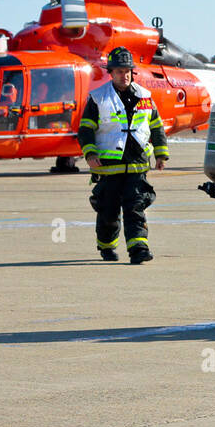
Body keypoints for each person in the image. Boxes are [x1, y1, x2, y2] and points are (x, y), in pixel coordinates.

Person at [77, 46, 168, 264]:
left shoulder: (145, 96)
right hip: (109, 165)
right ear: (111, 72)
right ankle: (107, 247)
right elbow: (86, 129)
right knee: (108, 210)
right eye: (119, 71)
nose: (124, 75)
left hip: (137, 164)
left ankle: (138, 249)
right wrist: (90, 153)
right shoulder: (98, 98)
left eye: (127, 71)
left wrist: (161, 153)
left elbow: (156, 126)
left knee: (135, 207)